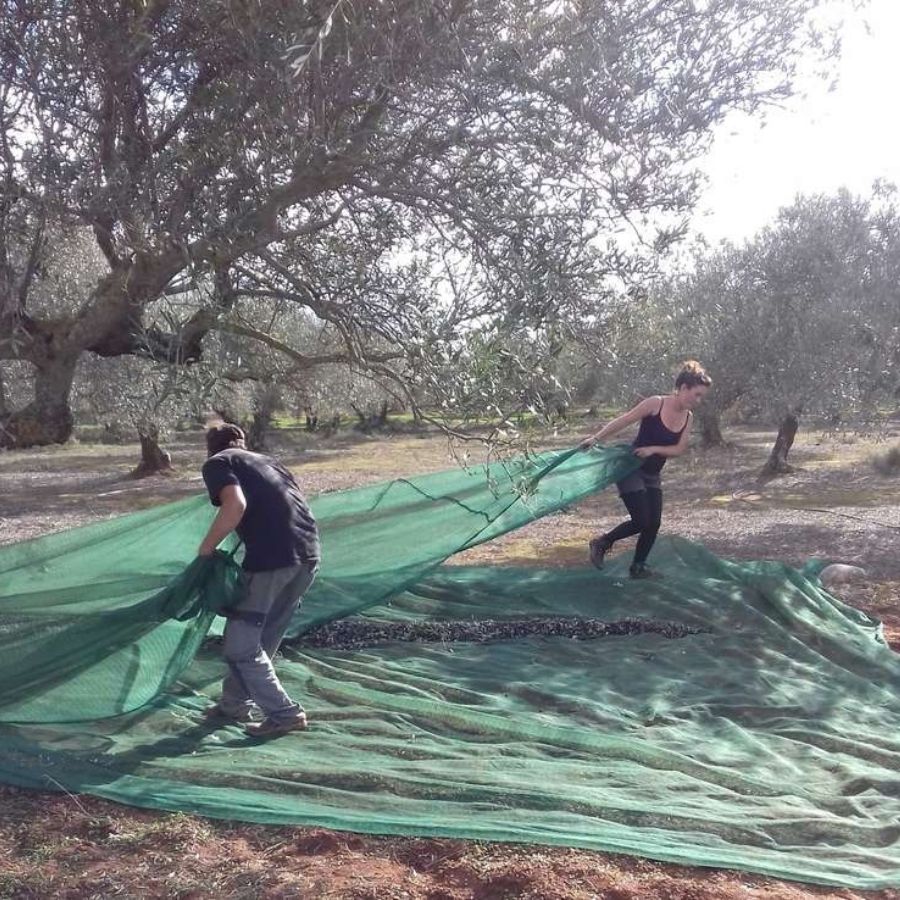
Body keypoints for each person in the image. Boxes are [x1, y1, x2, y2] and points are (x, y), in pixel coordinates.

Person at [199, 423, 320, 737]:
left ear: (211, 448)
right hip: (308, 555)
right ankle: (233, 704)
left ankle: (285, 713)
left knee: (241, 645)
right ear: (243, 443)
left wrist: (207, 549)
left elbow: (235, 505)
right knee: (263, 637)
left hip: (272, 560)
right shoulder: (268, 462)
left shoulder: (218, 463)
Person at [581, 361, 711, 578]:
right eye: (696, 394)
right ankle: (602, 542)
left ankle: (638, 567)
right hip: (631, 467)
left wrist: (654, 449)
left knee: (654, 523)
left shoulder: (688, 417)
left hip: (652, 473)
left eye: (701, 397)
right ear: (684, 388)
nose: (698, 401)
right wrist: (596, 438)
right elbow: (625, 420)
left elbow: (679, 449)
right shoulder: (656, 403)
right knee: (641, 520)